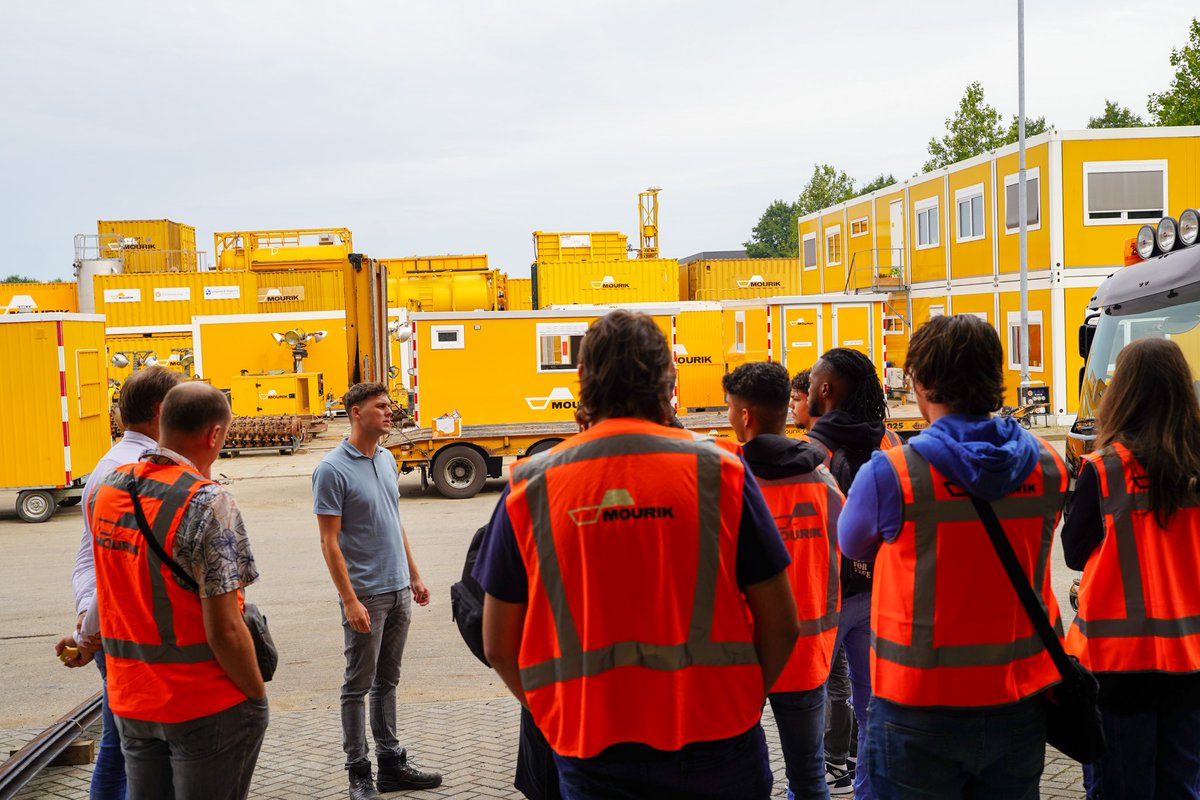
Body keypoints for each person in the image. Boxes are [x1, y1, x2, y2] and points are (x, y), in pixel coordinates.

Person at [475, 309, 799, 800]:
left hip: (592, 745)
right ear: (668, 379)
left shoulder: (531, 486)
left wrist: (556, 716)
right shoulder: (722, 473)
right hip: (719, 738)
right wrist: (746, 702)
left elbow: (499, 643)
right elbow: (781, 622)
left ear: (582, 378)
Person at [840, 313, 1068, 799]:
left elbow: (851, 544)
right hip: (1019, 699)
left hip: (917, 706)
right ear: (995, 377)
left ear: (920, 382)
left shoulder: (893, 473)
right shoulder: (1048, 464)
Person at [88, 382, 268, 800]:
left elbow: (112, 586)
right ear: (214, 435)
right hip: (201, 703)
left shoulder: (108, 489)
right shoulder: (209, 502)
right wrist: (256, 697)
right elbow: (225, 628)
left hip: (131, 698)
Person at [1062, 337, 1200, 799]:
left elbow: (1074, 554)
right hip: (1192, 660)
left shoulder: (1102, 469)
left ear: (1123, 392)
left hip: (1118, 665)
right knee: (1182, 785)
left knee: (1120, 788)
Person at [55, 366, 183, 800]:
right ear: (162, 410)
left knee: (123, 745)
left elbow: (87, 556)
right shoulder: (135, 472)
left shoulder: (108, 463)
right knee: (133, 749)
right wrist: (86, 633)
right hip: (128, 633)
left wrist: (85, 622)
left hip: (112, 627)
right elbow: (116, 569)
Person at [313, 382, 442, 800]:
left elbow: (393, 521)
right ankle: (358, 771)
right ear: (355, 412)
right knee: (357, 685)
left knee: (387, 682)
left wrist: (415, 576)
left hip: (398, 588)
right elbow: (329, 541)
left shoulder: (386, 459)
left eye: (390, 406)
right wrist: (349, 599)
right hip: (365, 595)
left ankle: (390, 765)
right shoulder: (331, 469)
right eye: (381, 407)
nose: (390, 412)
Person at [725, 362, 845, 800]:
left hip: (742, 655)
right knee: (810, 777)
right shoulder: (821, 477)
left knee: (741, 776)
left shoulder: (728, 481)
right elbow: (849, 547)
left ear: (744, 416)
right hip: (809, 652)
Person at [803, 348, 891, 799]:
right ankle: (869, 789)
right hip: (879, 594)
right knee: (872, 703)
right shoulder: (888, 443)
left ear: (824, 390)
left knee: (812, 702)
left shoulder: (812, 452)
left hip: (828, 597)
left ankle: (811, 790)